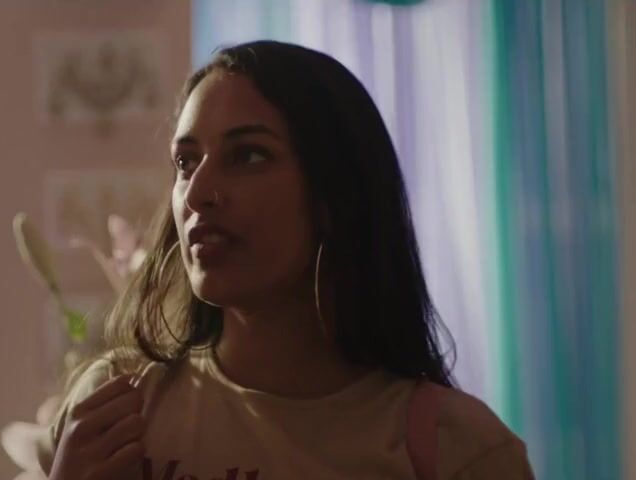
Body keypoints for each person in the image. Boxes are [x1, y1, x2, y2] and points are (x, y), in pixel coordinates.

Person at [38, 41, 533, 479]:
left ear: (335, 195)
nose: (198, 193)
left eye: (248, 156)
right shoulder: (117, 409)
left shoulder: (456, 449)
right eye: (186, 162)